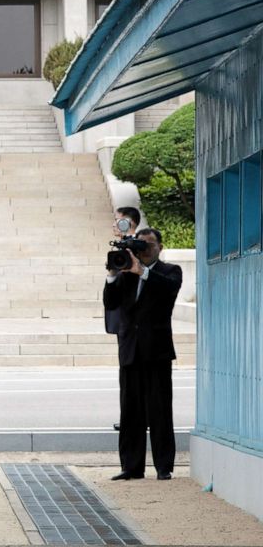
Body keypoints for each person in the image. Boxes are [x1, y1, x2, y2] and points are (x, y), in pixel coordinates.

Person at [103, 227, 182, 481]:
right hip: (130, 350)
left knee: (160, 410)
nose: (145, 248)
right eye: (141, 244)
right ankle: (131, 466)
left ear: (160, 246)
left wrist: (143, 271)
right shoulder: (126, 273)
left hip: (156, 351)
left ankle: (163, 467)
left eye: (149, 244)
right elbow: (111, 303)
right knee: (130, 411)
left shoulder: (170, 272)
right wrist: (113, 274)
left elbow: (167, 290)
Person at [106, 206, 141, 431]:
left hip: (137, 322)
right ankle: (129, 417)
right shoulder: (120, 248)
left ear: (130, 223)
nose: (115, 225)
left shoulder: (140, 247)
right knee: (126, 375)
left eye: (119, 221)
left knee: (136, 375)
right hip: (123, 321)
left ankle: (137, 417)